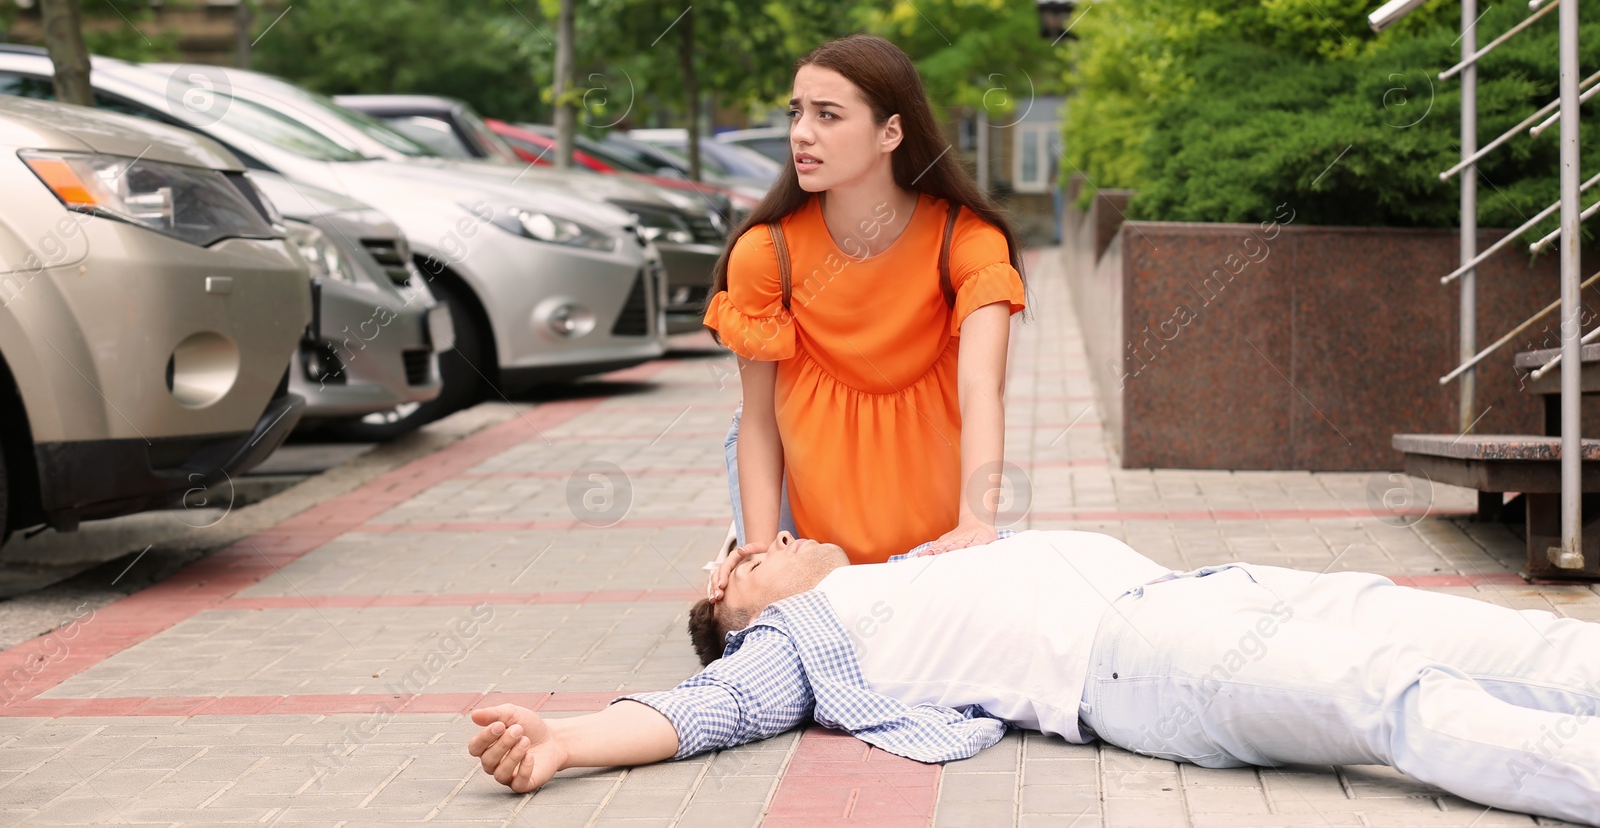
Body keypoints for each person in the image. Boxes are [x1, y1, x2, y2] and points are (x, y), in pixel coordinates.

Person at [467, 530, 1600, 825]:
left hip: (1208, 588)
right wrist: (565, 736)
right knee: (1394, 694)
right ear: (737, 610)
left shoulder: (890, 571)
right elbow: (705, 707)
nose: (767, 543)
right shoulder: (795, 639)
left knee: (1502, 638)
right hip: (1147, 662)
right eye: (741, 561)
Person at [702, 35, 1028, 589]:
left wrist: (976, 525)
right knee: (743, 628)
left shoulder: (964, 241)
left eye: (828, 115)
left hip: (937, 541)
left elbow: (982, 391)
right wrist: (761, 556)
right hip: (813, 546)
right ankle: (736, 546)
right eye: (797, 112)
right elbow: (758, 420)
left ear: (891, 133)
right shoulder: (766, 253)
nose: (801, 133)